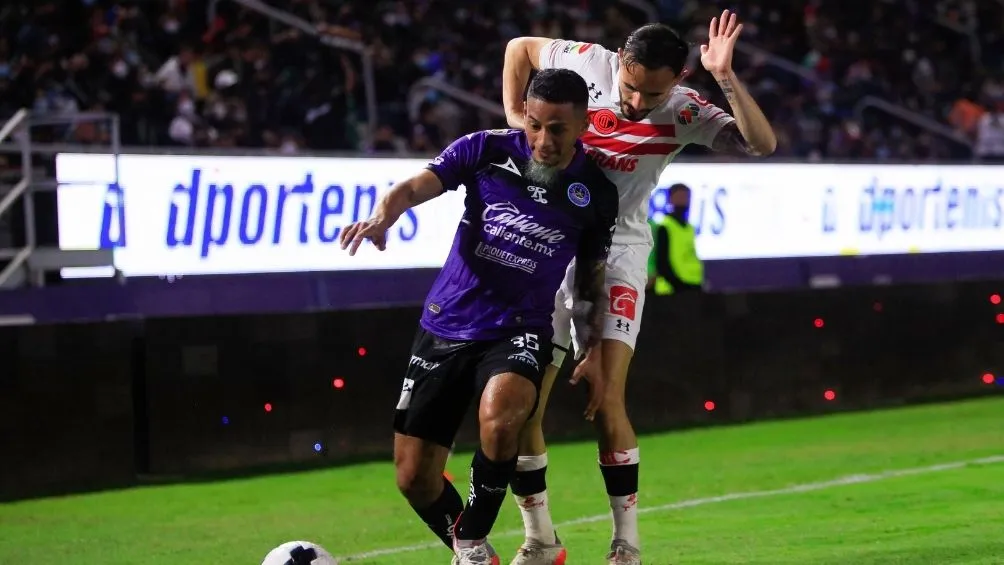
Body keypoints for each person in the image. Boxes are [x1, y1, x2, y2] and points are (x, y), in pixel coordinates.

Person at [502, 10, 776, 565]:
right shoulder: (587, 62)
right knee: (525, 402)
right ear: (620, 62)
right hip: (549, 246)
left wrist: (725, 77)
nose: (635, 101)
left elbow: (760, 144)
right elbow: (520, 47)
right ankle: (541, 540)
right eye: (630, 86)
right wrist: (516, 121)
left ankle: (626, 543)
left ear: (678, 79)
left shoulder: (684, 110)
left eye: (652, 93)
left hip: (618, 252)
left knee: (607, 398)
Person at [340, 68, 619, 565]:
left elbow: (590, 283)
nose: (543, 140)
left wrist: (592, 349)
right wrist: (384, 216)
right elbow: (414, 187)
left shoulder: (595, 192)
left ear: (583, 125)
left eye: (557, 129)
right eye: (535, 125)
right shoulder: (486, 149)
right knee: (414, 477)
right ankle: (477, 554)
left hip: (519, 329)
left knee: (502, 416)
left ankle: (470, 540)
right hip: (445, 324)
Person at [652, 184, 704, 296]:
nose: (683, 201)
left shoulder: (689, 228)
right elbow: (662, 263)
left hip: (693, 285)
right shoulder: (665, 227)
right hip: (672, 290)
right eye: (679, 197)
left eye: (685, 197)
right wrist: (679, 286)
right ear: (670, 199)